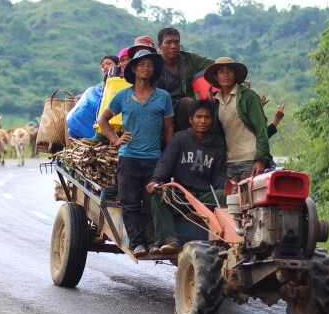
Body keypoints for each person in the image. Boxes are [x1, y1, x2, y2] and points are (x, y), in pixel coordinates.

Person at [97, 48, 174, 258]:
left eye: (150, 65)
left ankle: (151, 243)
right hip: (129, 156)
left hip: (153, 159)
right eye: (141, 65)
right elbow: (103, 120)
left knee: (151, 204)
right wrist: (115, 139)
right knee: (130, 203)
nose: (146, 68)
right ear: (134, 69)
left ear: (154, 70)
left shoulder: (163, 97)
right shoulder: (122, 96)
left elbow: (168, 129)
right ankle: (137, 243)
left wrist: (168, 156)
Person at [146, 99, 227, 254]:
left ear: (211, 121)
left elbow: (218, 174)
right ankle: (168, 240)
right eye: (199, 117)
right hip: (181, 194)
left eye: (207, 117)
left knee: (224, 196)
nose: (203, 121)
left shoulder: (217, 143)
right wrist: (155, 180)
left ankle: (222, 243)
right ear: (191, 120)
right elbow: (165, 163)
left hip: (203, 196)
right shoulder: (180, 138)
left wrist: (225, 189)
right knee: (159, 197)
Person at [203, 57, 271, 182]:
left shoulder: (248, 97)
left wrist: (260, 159)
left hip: (250, 160)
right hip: (229, 162)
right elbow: (215, 133)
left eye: (229, 70)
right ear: (216, 77)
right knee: (232, 201)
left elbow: (262, 129)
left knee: (249, 200)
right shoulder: (216, 101)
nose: (226, 74)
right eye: (221, 71)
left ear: (235, 74)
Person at [155, 27, 215, 132]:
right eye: (168, 42)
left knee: (201, 105)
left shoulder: (190, 59)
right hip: (164, 107)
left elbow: (215, 66)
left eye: (176, 42)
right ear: (160, 46)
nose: (173, 46)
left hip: (188, 105)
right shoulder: (155, 64)